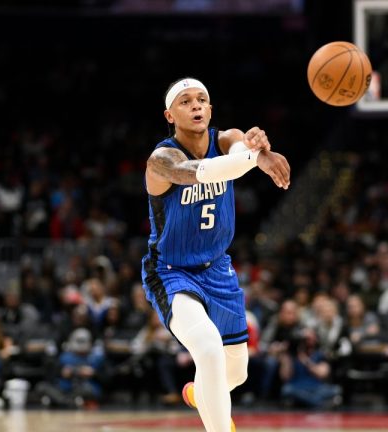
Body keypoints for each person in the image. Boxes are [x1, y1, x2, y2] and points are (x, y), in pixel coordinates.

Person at [142, 77, 290, 432]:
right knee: (207, 347)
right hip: (171, 271)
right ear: (170, 114)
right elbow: (204, 173)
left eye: (202, 100)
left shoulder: (225, 139)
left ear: (210, 109)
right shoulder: (162, 160)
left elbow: (238, 152)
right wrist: (257, 158)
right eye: (186, 101)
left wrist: (255, 150)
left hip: (218, 269)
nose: (196, 106)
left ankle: (199, 393)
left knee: (235, 374)